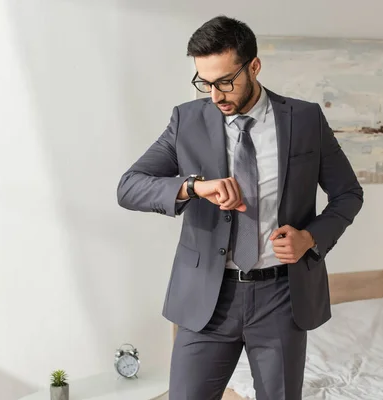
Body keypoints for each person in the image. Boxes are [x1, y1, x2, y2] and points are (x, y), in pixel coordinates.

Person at [116, 15, 363, 400]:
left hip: (281, 296)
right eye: (204, 83)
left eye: (225, 82)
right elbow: (129, 187)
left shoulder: (305, 119)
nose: (215, 95)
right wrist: (194, 187)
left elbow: (348, 193)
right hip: (206, 299)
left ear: (254, 66)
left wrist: (310, 238)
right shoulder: (187, 120)